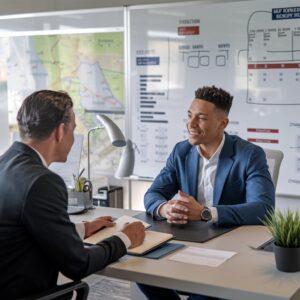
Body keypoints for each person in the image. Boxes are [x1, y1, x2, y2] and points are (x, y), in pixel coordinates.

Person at [0, 90, 145, 299]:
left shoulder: (5, 164)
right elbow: (78, 264)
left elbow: (27, 230)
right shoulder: (43, 182)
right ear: (60, 131)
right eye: (73, 130)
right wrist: (125, 238)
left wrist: (82, 228)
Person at [138, 85, 275, 300]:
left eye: (200, 118)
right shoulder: (181, 151)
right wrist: (165, 208)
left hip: (230, 249)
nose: (191, 124)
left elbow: (264, 208)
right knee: (141, 271)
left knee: (203, 294)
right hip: (186, 241)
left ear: (223, 123)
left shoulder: (249, 155)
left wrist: (205, 213)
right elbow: (152, 194)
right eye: (190, 115)